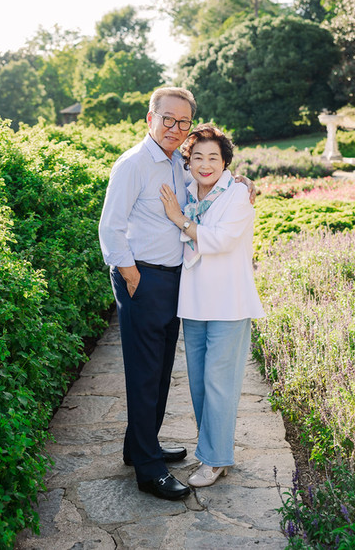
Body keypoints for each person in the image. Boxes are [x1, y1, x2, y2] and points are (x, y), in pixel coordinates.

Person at [99, 88, 254, 501]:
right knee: (145, 372)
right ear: (149, 118)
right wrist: (129, 274)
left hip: (173, 283)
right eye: (168, 119)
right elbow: (110, 226)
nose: (175, 127)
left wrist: (237, 180)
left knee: (160, 371)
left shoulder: (175, 164)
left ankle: (140, 446)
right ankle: (149, 470)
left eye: (183, 122)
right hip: (144, 279)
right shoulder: (133, 164)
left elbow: (211, 181)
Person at [160, 123, 264, 488]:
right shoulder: (188, 190)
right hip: (195, 303)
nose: (205, 165)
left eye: (213, 158)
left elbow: (219, 241)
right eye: (198, 157)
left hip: (228, 304)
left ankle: (216, 459)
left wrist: (179, 219)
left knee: (220, 384)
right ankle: (211, 451)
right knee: (200, 386)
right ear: (188, 163)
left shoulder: (236, 194)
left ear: (225, 163)